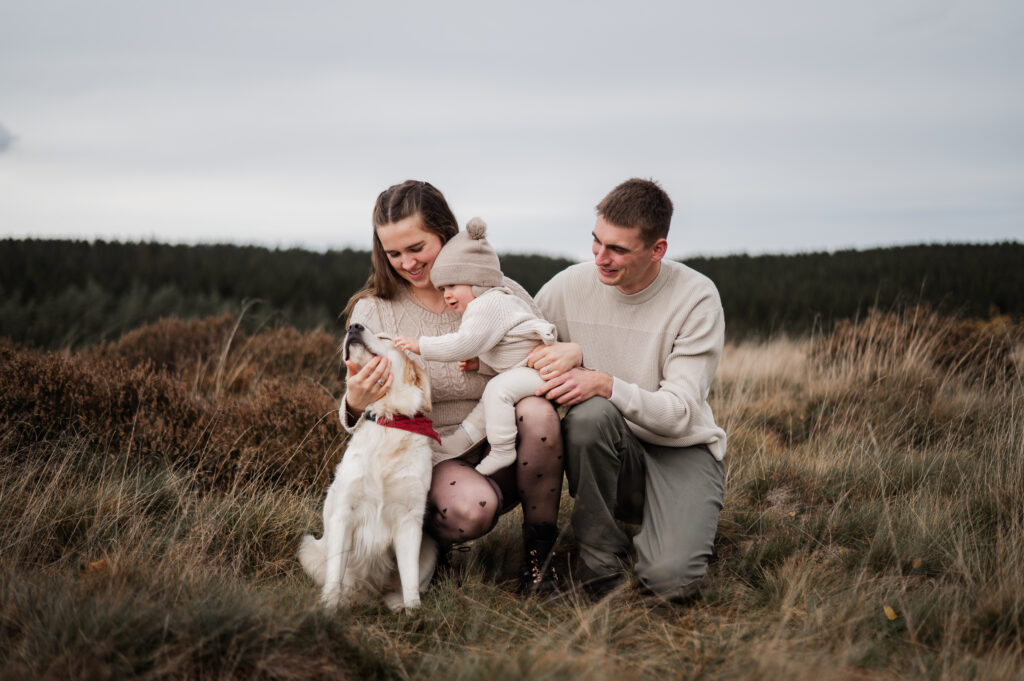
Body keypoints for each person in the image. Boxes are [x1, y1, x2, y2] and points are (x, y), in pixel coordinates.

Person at [341, 180, 564, 594]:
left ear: (445, 233)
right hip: (432, 455)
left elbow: (541, 351)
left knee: (538, 410)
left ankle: (539, 566)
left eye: (417, 248)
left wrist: (568, 354)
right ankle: (430, 544)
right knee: (471, 510)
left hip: (511, 446)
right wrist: (355, 401)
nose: (407, 263)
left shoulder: (500, 292)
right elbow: (358, 412)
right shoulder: (374, 310)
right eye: (394, 253)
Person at [528, 178, 727, 602]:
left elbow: (677, 415)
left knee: (670, 583)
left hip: (680, 450)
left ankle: (673, 535)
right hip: (608, 446)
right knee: (590, 416)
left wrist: (603, 381)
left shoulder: (696, 298)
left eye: (617, 249)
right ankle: (599, 569)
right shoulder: (568, 286)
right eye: (596, 242)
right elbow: (518, 340)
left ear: (657, 250)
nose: (600, 258)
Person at [394, 217, 557, 477]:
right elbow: (505, 352)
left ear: (478, 281)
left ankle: (503, 450)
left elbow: (463, 343)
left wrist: (420, 345)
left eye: (453, 285)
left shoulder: (489, 304)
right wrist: (479, 365)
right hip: (525, 368)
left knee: (497, 391)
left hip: (539, 371)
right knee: (489, 402)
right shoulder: (485, 304)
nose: (447, 294)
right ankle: (463, 440)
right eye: (443, 287)